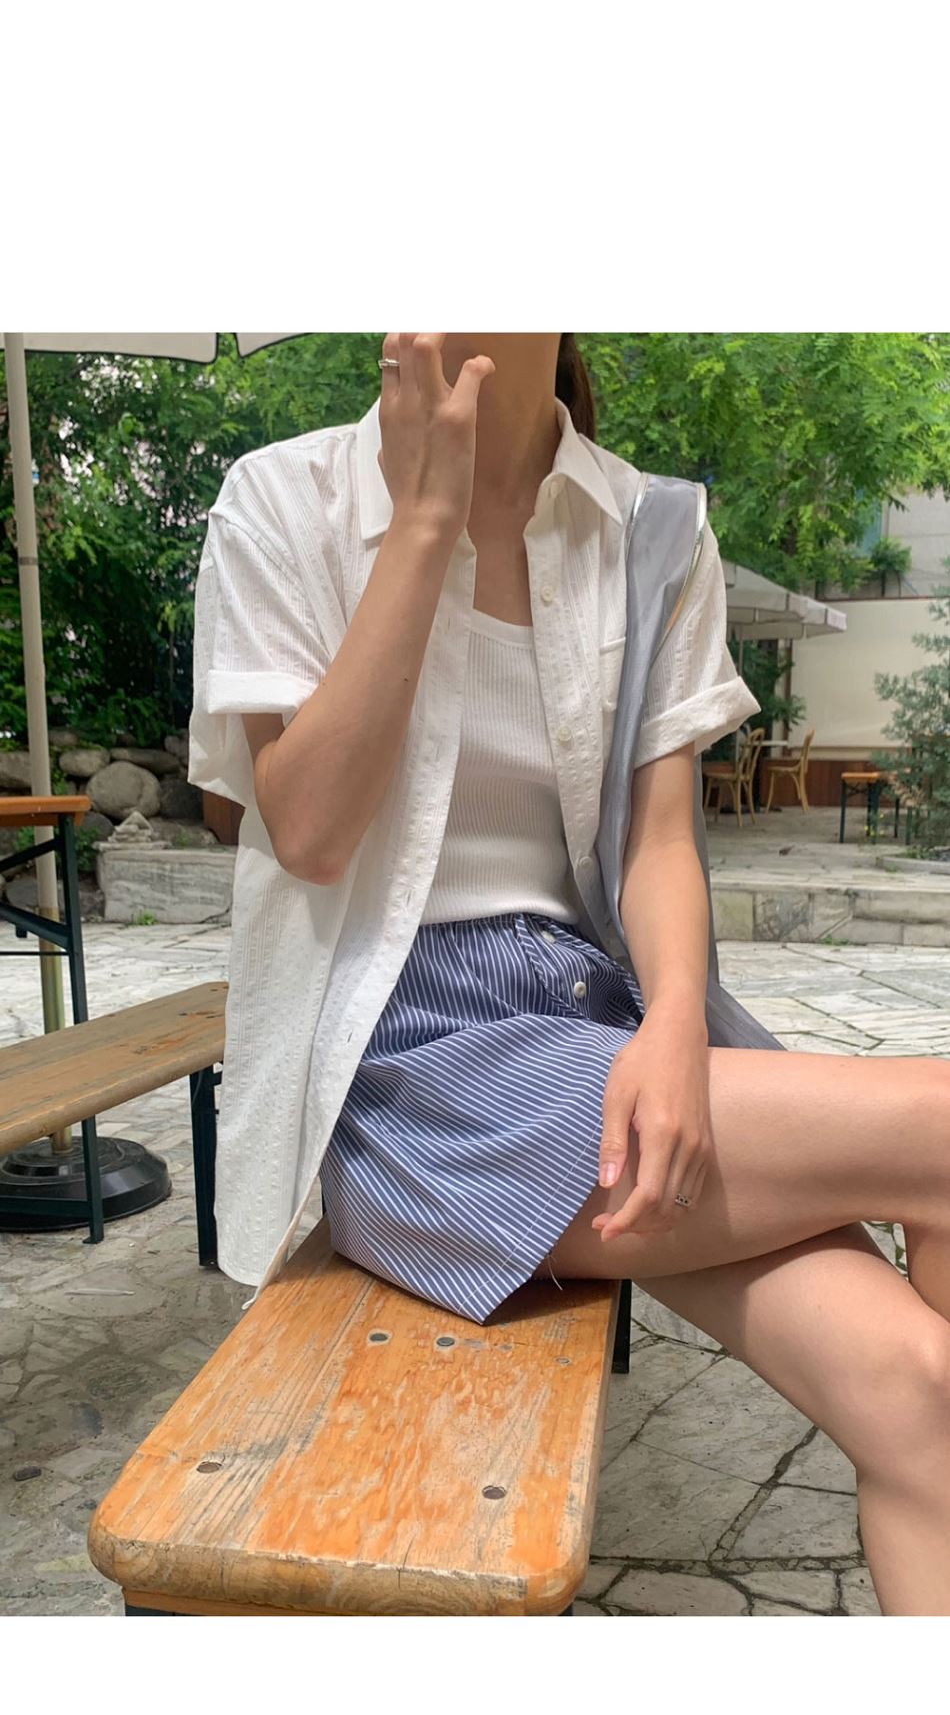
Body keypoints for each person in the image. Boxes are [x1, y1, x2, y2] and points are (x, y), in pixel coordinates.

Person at [189, 333, 950, 1619]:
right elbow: (306, 831)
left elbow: (659, 841)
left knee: (916, 1388)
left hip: (598, 1024)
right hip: (407, 1064)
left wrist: (672, 1026)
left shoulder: (649, 528)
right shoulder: (283, 497)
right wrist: (423, 521)